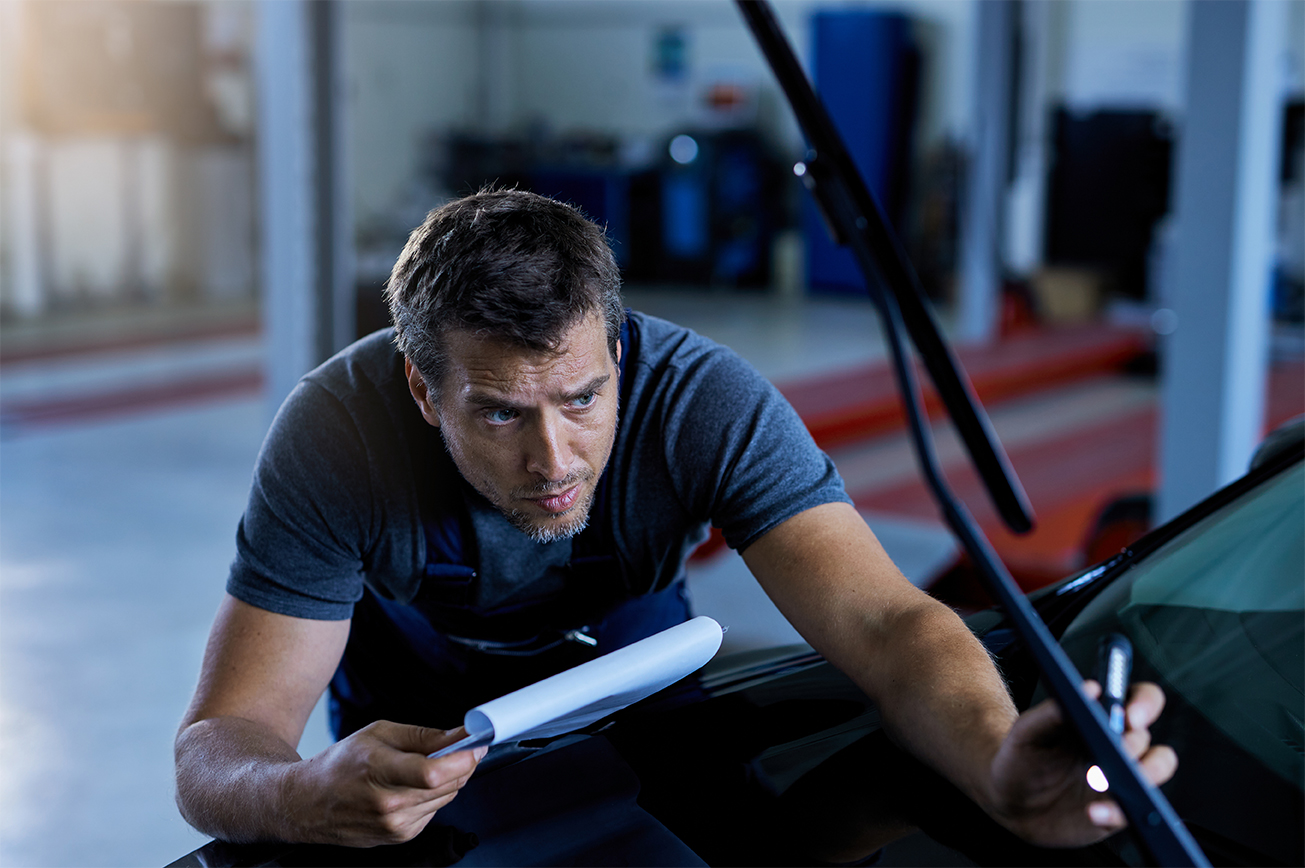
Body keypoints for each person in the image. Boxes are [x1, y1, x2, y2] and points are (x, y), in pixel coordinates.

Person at [175, 189, 1176, 850]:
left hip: (634, 667)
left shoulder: (704, 400)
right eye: (499, 413)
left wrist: (1000, 766)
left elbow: (888, 625)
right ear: (424, 391)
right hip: (410, 701)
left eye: (582, 399)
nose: (555, 460)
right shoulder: (334, 435)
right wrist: (306, 793)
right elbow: (222, 741)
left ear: (617, 349)